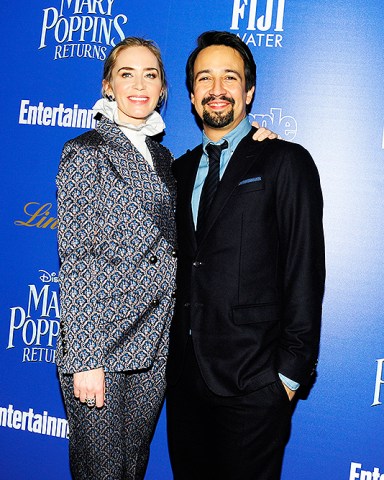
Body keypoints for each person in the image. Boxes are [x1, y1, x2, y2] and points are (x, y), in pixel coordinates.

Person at [56, 36, 275, 480]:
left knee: (132, 470)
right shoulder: (85, 153)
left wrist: (258, 142)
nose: (139, 84)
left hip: (156, 349)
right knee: (100, 473)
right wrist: (84, 358)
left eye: (150, 75)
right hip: (101, 347)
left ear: (163, 90)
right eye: (127, 74)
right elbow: (77, 258)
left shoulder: (165, 158)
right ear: (108, 87)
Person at [166, 30, 326, 480]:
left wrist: (287, 378)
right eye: (205, 79)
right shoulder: (176, 170)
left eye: (229, 78)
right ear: (193, 96)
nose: (217, 89)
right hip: (184, 382)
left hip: (255, 383)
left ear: (249, 91)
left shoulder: (285, 161)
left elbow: (304, 268)